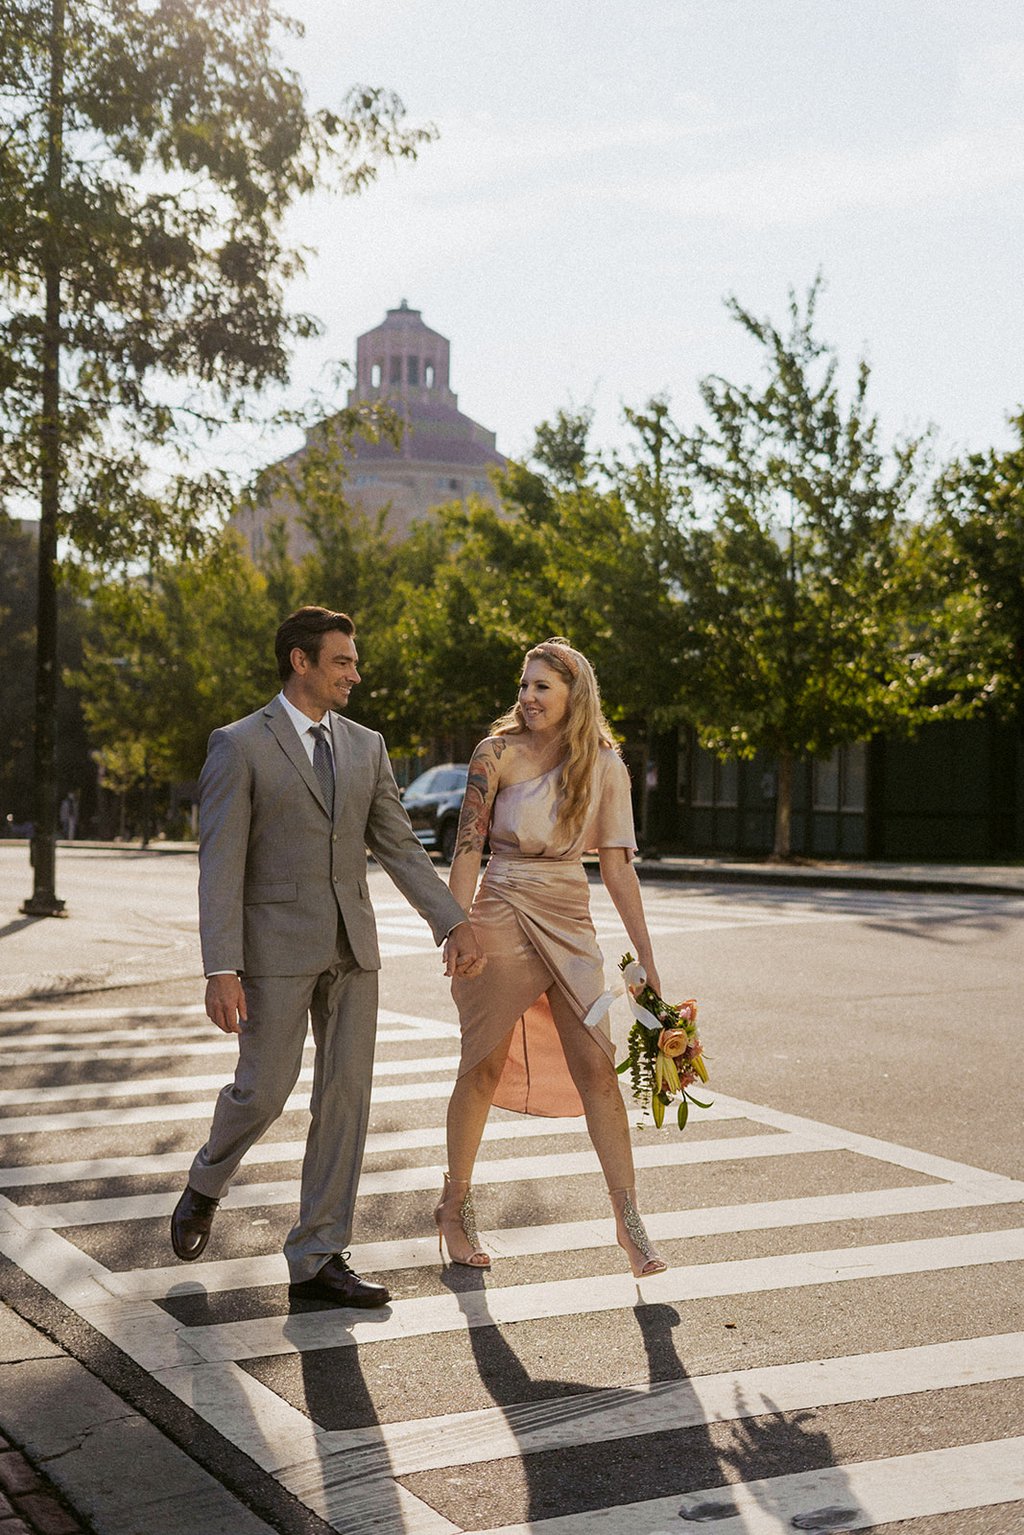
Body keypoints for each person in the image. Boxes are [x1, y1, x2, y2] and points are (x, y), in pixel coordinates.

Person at [171, 606, 485, 1307]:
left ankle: (317, 1252)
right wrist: (221, 967)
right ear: (300, 662)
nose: (355, 672)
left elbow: (400, 845)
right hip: (273, 949)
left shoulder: (367, 746)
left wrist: (451, 922)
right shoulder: (240, 744)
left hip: (352, 948)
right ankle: (206, 1179)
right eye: (342, 660)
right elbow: (219, 864)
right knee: (265, 1089)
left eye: (353, 660)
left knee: (345, 1099)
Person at [435, 637, 668, 1278]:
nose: (528, 697)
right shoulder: (496, 752)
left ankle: (629, 1220)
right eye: (524, 685)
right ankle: (453, 1207)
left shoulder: (603, 764)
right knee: (480, 1068)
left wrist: (646, 963)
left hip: (570, 918)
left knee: (598, 1069)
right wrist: (456, 928)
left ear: (575, 694)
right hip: (499, 911)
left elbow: (618, 868)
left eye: (542, 686)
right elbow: (468, 849)